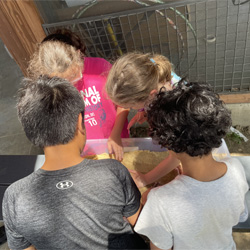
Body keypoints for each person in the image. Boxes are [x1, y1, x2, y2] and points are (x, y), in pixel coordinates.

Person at [2, 76, 148, 250]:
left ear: (30, 131)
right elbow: (142, 226)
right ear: (80, 122)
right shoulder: (113, 171)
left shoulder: (13, 198)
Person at [134, 81, 249, 250]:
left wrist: (150, 199)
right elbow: (239, 215)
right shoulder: (236, 169)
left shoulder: (160, 201)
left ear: (167, 144)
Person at [27, 29, 129, 161]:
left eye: (74, 76)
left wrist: (115, 135)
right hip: (83, 151)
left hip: (116, 139)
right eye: (64, 81)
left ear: (78, 55)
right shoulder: (48, 88)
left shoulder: (101, 67)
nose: (72, 83)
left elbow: (124, 102)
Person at [105, 52, 181, 188]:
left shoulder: (171, 114)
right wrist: (143, 111)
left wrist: (144, 179)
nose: (130, 108)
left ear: (151, 95)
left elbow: (177, 157)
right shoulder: (151, 72)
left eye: (131, 106)